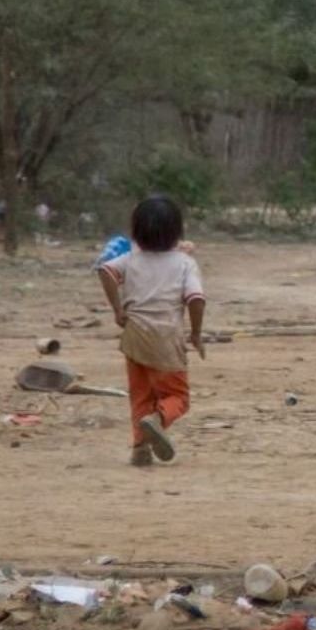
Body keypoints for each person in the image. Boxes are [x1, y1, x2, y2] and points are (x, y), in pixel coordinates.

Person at [98, 195, 205, 467]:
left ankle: (140, 448)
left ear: (136, 232)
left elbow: (106, 271)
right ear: (177, 232)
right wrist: (196, 333)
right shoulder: (184, 263)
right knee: (178, 397)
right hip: (167, 337)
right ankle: (157, 419)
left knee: (141, 395)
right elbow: (196, 298)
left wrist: (118, 310)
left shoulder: (130, 259)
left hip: (135, 335)